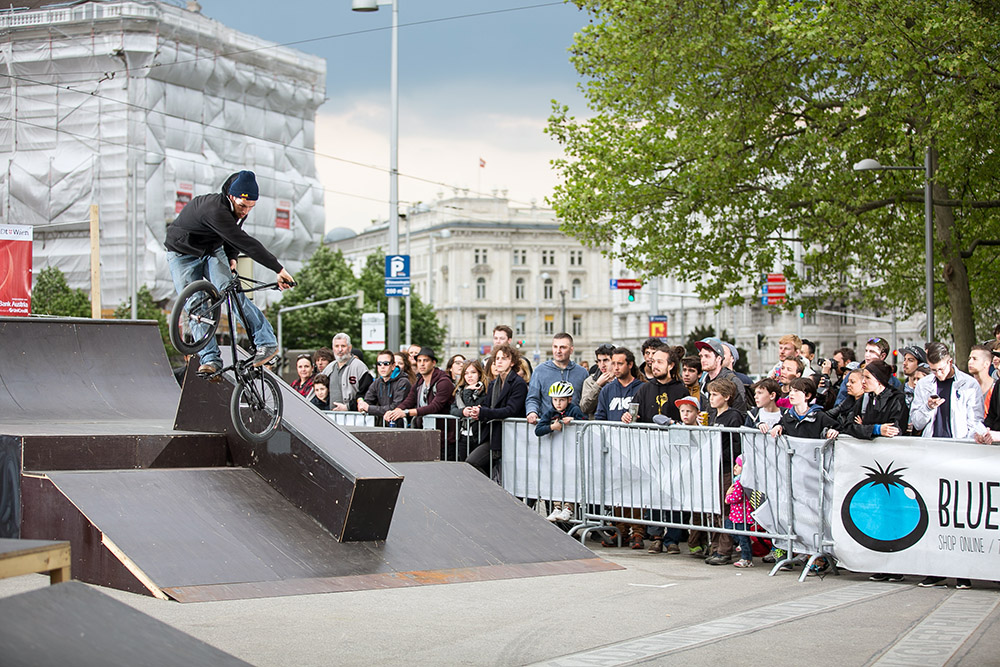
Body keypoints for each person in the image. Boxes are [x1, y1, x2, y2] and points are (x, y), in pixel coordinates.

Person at [164, 170, 294, 375]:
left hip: (212, 251)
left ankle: (265, 342)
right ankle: (210, 359)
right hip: (182, 254)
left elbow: (234, 234)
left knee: (231, 292)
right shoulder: (214, 209)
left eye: (251, 207)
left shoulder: (238, 210)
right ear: (230, 197)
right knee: (197, 307)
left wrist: (232, 256)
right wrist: (278, 268)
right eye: (242, 206)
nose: (245, 212)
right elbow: (244, 241)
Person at [465, 344, 528, 476]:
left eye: (504, 358)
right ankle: (491, 490)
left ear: (512, 362)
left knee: (475, 463)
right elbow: (487, 405)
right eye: (497, 358)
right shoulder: (494, 383)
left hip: (510, 436)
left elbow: (511, 410)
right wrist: (478, 411)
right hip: (493, 434)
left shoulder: (518, 383)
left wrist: (484, 412)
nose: (499, 361)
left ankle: (492, 491)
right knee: (472, 462)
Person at [704, 377, 743, 566]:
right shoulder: (713, 416)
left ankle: (724, 549)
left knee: (725, 509)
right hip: (714, 467)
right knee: (714, 509)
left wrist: (719, 455)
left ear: (726, 397)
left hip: (726, 468)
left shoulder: (733, 416)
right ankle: (715, 546)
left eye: (715, 395)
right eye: (710, 394)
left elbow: (735, 444)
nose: (711, 398)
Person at [910, 341, 984, 441]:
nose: (939, 374)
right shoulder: (923, 384)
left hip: (959, 444)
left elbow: (975, 421)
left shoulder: (969, 384)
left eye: (941, 369)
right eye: (934, 370)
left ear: (950, 362)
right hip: (931, 443)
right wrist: (927, 408)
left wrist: (967, 444)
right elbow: (917, 424)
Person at [536, 381, 585, 523]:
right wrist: (552, 427)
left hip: (572, 453)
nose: (558, 403)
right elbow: (538, 430)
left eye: (562, 400)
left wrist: (575, 420)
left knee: (571, 479)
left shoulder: (574, 409)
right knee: (557, 479)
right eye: (555, 400)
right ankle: (557, 507)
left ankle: (569, 508)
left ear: (569, 399)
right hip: (556, 455)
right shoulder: (550, 413)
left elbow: (585, 422)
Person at [384, 347, 455, 433]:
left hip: (444, 434)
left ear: (433, 363)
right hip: (425, 430)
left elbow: (434, 407)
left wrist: (406, 413)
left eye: (425, 360)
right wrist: (395, 411)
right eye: (419, 361)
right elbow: (409, 401)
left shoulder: (444, 382)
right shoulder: (419, 382)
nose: (422, 364)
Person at [525, 333, 589, 424]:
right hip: (548, 428)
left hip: (575, 428)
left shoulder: (582, 373)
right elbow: (533, 398)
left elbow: (586, 403)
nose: (558, 351)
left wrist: (578, 419)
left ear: (571, 350)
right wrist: (532, 412)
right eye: (555, 347)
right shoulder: (540, 371)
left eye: (563, 347)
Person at [839, 359, 907, 439]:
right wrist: (876, 429)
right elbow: (848, 427)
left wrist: (864, 427)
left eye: (867, 377)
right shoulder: (865, 398)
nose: (863, 381)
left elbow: (894, 430)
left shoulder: (897, 399)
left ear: (879, 380)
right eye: (863, 377)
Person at [627, 345, 687, 425]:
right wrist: (627, 416)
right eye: (653, 361)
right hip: (648, 436)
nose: (655, 366)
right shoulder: (644, 389)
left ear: (670, 366)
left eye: (659, 362)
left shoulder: (681, 391)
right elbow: (633, 414)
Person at [769, 378, 840, 440]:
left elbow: (838, 428)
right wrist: (777, 427)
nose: (791, 394)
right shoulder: (787, 415)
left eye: (796, 391)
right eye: (790, 390)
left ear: (808, 395)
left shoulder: (819, 416)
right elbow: (780, 425)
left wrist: (833, 431)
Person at [696, 337, 747, 420]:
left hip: (727, 430)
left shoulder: (732, 380)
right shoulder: (704, 381)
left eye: (707, 356)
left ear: (719, 358)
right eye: (701, 356)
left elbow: (740, 413)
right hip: (709, 430)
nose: (703, 360)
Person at [358, 349, 411, 427]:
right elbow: (368, 400)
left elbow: (395, 407)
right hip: (383, 425)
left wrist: (369, 408)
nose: (382, 367)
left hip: (402, 426)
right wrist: (362, 405)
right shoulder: (377, 382)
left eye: (386, 363)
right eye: (379, 364)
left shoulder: (403, 382)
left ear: (393, 366)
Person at [321, 333, 372, 411]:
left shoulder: (360, 367)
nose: (340, 349)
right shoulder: (329, 368)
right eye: (337, 346)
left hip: (354, 418)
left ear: (349, 348)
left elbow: (367, 394)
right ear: (333, 348)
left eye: (343, 346)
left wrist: (348, 407)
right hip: (330, 416)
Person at [451, 360, 488, 458]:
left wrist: (468, 392)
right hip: (463, 434)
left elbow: (472, 406)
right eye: (466, 373)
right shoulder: (460, 390)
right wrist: (462, 412)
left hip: (479, 435)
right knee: (463, 466)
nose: (469, 376)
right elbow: (453, 409)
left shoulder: (485, 390)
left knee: (475, 464)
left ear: (479, 374)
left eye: (473, 372)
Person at [596, 347, 643, 422]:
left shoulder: (642, 388)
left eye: (620, 364)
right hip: (612, 433)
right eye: (613, 364)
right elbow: (600, 417)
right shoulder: (607, 390)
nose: (616, 368)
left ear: (630, 364)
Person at [726, 455, 755, 568]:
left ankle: (746, 559)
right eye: (736, 464)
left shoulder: (740, 483)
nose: (735, 467)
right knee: (728, 526)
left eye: (739, 465)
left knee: (742, 535)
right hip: (736, 514)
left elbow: (736, 497)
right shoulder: (737, 481)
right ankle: (745, 543)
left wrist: (727, 496)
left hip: (741, 515)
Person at [580, 343, 616, 419]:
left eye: (606, 360)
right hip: (597, 426)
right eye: (599, 361)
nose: (602, 365)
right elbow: (585, 408)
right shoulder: (590, 381)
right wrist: (598, 385)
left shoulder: (622, 378)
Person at [968, 345, 995, 417]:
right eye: (969, 358)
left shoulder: (996, 388)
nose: (970, 362)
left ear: (986, 364)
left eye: (975, 359)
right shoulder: (966, 387)